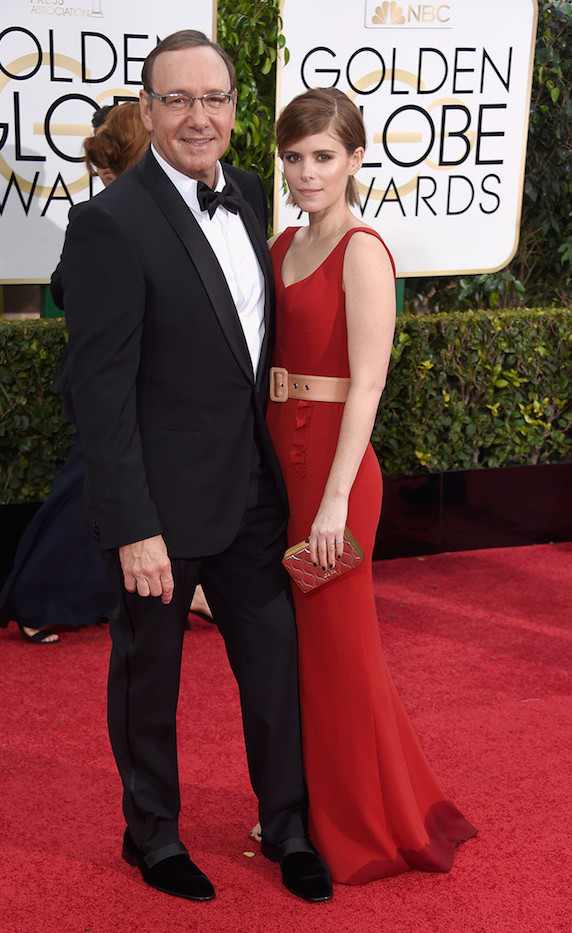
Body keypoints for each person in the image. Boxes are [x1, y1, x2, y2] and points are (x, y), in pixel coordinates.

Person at [56, 31, 332, 903]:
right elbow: (98, 393)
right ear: (147, 111)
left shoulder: (250, 194)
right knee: (150, 677)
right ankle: (153, 834)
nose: (198, 116)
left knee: (276, 667)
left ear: (234, 110)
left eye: (213, 99)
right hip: (160, 510)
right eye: (177, 100)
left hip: (251, 491)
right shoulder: (108, 222)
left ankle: (285, 825)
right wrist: (133, 525)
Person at [258, 87, 477, 883]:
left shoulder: (363, 249)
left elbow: (370, 384)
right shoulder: (281, 245)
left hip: (335, 473)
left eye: (322, 156)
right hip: (279, 459)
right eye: (294, 157)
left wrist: (336, 498)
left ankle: (358, 822)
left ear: (354, 159)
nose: (306, 171)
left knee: (340, 651)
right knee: (291, 654)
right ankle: (304, 807)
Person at [0, 103, 150, 644]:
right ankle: (31, 598)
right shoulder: (104, 216)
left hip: (141, 383)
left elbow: (60, 287)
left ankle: (151, 592)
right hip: (109, 386)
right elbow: (65, 289)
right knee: (85, 495)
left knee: (117, 494)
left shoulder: (128, 210)